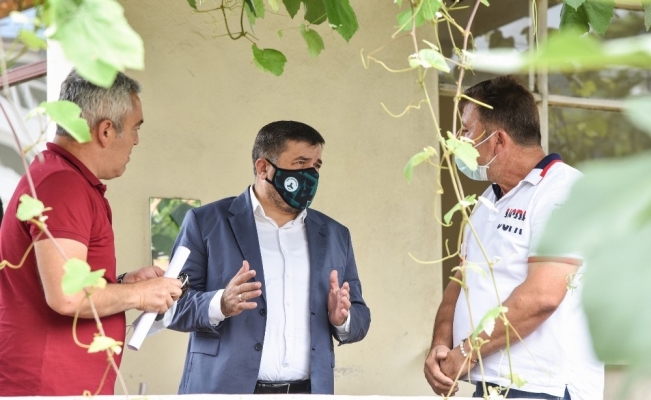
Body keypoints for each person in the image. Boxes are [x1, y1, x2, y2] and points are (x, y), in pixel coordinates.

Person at [0, 69, 183, 396]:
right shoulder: (63, 184)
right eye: (136, 128)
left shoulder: (60, 176)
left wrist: (124, 283)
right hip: (49, 386)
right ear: (106, 131)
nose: (137, 140)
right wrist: (140, 295)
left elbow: (62, 281)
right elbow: (67, 295)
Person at [423, 76, 603, 400]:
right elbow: (460, 280)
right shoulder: (487, 201)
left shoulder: (563, 190)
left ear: (498, 141)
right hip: (491, 382)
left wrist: (465, 352)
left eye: (466, 130)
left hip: (543, 386)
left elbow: (542, 296)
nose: (459, 141)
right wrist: (441, 344)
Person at [167, 120, 371, 394]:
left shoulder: (335, 234)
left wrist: (342, 319)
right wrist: (220, 303)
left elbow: (360, 317)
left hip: (309, 392)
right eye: (301, 163)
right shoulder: (206, 222)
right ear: (263, 167)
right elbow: (172, 306)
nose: (311, 174)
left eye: (317, 165)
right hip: (224, 391)